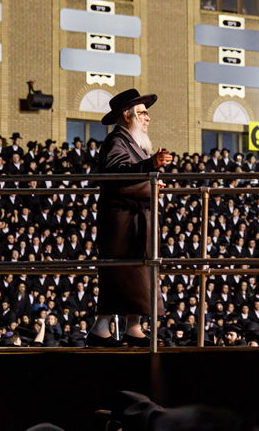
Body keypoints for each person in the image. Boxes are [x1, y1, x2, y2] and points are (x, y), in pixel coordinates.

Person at [87, 89, 172, 347]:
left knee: (135, 275)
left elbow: (133, 175)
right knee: (120, 275)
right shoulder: (117, 142)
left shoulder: (131, 142)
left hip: (133, 220)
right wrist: (150, 167)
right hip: (122, 222)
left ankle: (132, 327)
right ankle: (102, 329)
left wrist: (153, 181)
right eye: (142, 113)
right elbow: (118, 175)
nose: (147, 118)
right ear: (127, 116)